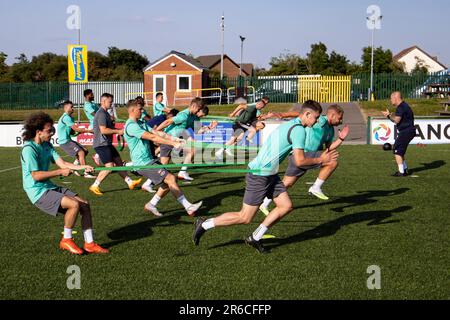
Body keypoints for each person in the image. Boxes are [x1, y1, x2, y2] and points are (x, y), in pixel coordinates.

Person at [193, 100, 339, 254]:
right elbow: (299, 160)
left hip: (270, 174)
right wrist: (321, 160)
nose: (316, 121)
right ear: (307, 114)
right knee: (245, 217)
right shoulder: (299, 130)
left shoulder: (292, 124)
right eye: (315, 118)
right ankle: (204, 224)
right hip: (260, 174)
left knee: (286, 206)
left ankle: (255, 237)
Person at [21, 112, 109, 255]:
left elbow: (62, 163)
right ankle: (66, 240)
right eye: (49, 131)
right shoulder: (29, 149)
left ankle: (89, 244)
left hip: (48, 186)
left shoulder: (47, 145)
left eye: (52, 130)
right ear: (38, 132)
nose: (52, 134)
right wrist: (59, 172)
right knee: (73, 205)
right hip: (36, 191)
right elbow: (36, 176)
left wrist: (83, 167)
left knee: (85, 205)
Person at [259, 105, 349, 215]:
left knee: (287, 184)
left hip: (307, 157)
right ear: (332, 115)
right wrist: (283, 114)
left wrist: (340, 139)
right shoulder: (321, 120)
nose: (341, 121)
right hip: (303, 154)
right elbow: (301, 114)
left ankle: (264, 203)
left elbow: (329, 148)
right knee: (332, 161)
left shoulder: (330, 130)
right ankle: (316, 187)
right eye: (339, 118)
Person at [123, 99, 203, 217]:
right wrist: (173, 144)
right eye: (140, 109)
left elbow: (157, 133)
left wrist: (174, 139)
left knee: (167, 183)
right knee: (170, 178)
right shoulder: (131, 126)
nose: (142, 111)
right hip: (143, 163)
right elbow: (152, 137)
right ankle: (188, 207)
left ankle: (151, 204)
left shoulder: (140, 123)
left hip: (150, 160)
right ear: (133, 110)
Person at [89, 93, 142, 196]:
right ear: (103, 101)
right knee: (109, 166)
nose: (111, 103)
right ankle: (95, 185)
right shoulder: (101, 114)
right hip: (101, 144)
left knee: (119, 163)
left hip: (106, 143)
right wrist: (118, 132)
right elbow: (103, 130)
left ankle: (130, 182)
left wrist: (116, 129)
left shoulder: (106, 113)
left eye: (112, 101)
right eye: (110, 101)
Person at [155, 97, 205, 181]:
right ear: (193, 106)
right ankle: (147, 183)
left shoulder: (191, 116)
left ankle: (182, 172)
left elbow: (196, 130)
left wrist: (209, 128)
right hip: (168, 140)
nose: (199, 112)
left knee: (194, 147)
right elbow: (167, 122)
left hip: (177, 140)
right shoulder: (184, 115)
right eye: (198, 109)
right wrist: (155, 131)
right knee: (162, 168)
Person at [57, 100, 96, 179]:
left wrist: (77, 132)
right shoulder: (66, 117)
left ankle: (74, 167)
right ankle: (86, 172)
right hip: (64, 142)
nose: (73, 108)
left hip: (68, 140)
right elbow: (76, 129)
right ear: (66, 108)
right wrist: (89, 131)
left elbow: (72, 131)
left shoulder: (70, 117)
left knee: (85, 151)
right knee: (81, 152)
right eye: (71, 107)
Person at [382, 91, 416, 177]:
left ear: (395, 98)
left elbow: (397, 120)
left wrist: (388, 116)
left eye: (391, 98)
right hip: (408, 131)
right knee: (400, 150)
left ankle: (401, 172)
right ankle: (404, 169)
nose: (390, 100)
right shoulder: (405, 106)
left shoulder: (401, 107)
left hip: (406, 131)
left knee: (397, 150)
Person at [82, 89, 101, 166]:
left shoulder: (93, 103)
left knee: (103, 142)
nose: (93, 95)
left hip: (98, 125)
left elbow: (100, 111)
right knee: (103, 142)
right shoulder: (87, 105)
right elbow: (96, 114)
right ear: (87, 96)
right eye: (91, 94)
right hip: (95, 126)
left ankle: (77, 162)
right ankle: (96, 156)